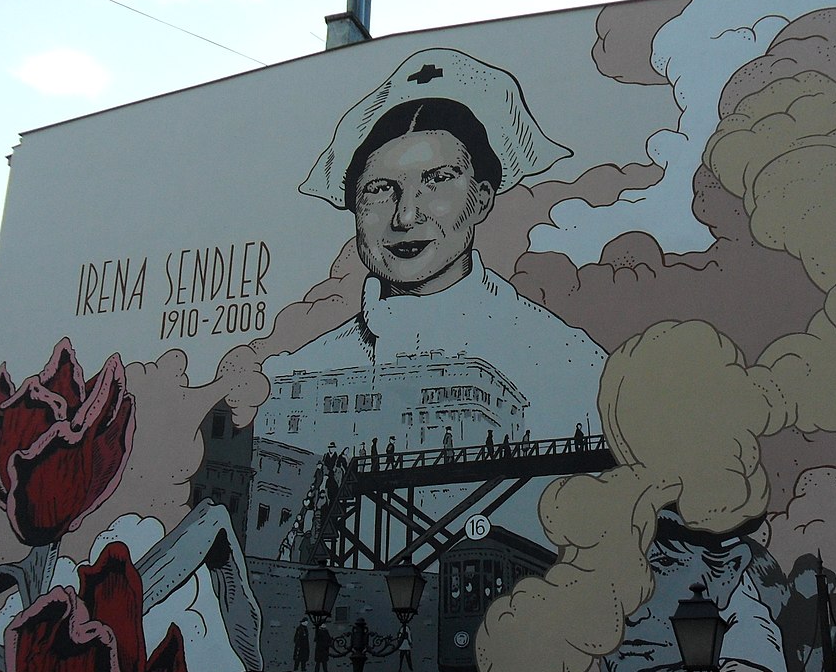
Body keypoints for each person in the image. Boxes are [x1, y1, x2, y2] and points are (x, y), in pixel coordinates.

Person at [259, 49, 605, 463]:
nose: (405, 216)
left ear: (481, 200)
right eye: (380, 189)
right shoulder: (304, 375)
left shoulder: (569, 363)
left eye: (437, 181)